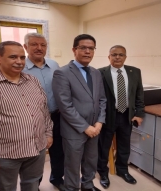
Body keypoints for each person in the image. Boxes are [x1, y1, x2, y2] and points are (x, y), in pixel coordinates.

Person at [0, 41, 53, 191]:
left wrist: (48, 133)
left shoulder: (32, 81)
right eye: (13, 57)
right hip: (6, 154)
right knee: (5, 188)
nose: (19, 62)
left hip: (36, 149)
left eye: (22, 57)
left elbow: (43, 110)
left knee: (32, 184)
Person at [52, 34, 106, 191]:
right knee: (72, 164)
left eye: (91, 48)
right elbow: (65, 106)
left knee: (91, 160)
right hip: (74, 129)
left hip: (95, 128)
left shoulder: (96, 73)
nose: (87, 51)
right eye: (83, 48)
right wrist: (85, 127)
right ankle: (72, 188)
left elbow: (102, 99)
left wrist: (99, 122)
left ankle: (88, 185)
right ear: (74, 50)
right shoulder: (62, 73)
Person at [97, 45, 145, 188]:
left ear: (125, 57)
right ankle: (103, 172)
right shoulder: (100, 73)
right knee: (103, 146)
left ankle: (122, 170)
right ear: (109, 57)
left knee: (124, 145)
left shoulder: (135, 72)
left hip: (127, 116)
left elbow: (139, 95)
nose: (117, 57)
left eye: (121, 55)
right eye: (114, 54)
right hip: (107, 116)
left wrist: (139, 114)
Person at [22, 33, 64, 191]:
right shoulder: (20, 68)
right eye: (34, 44)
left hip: (56, 116)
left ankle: (57, 178)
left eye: (43, 45)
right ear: (26, 47)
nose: (39, 48)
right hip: (34, 119)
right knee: (35, 155)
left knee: (59, 151)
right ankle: (34, 184)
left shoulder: (54, 65)